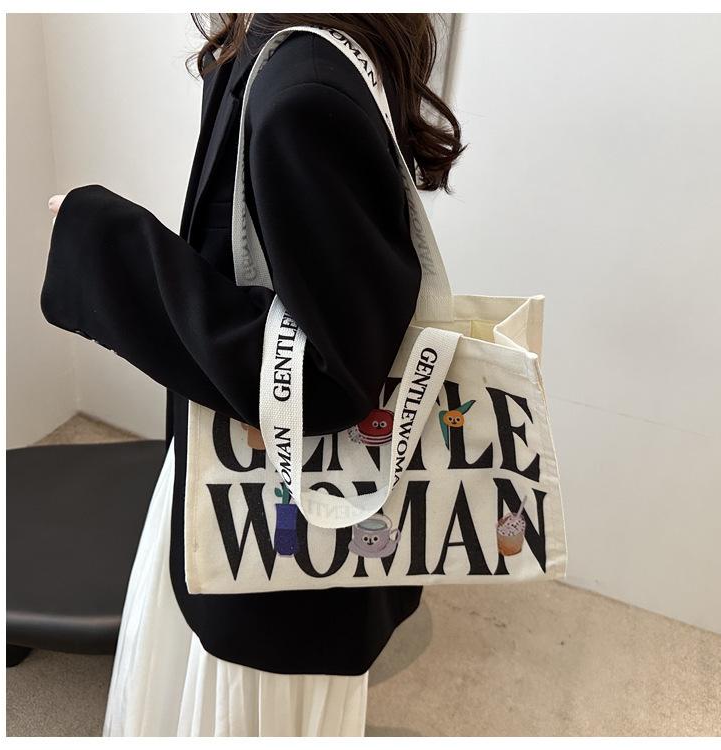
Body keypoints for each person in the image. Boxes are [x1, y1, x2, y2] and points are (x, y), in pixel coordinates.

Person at [42, 12, 465, 737]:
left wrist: (111, 249)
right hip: (234, 472)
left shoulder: (302, 90)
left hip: (274, 532)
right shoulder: (268, 44)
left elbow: (329, 379)